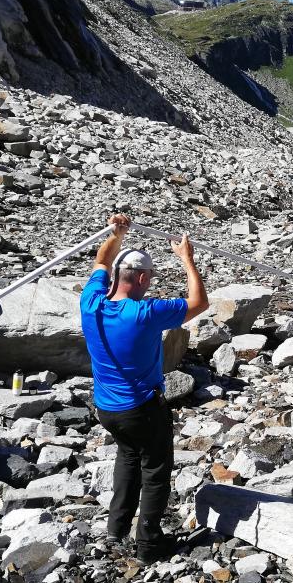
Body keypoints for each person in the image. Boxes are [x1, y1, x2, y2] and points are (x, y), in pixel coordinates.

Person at [79, 214, 209, 564]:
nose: (150, 283)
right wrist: (187, 260)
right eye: (150, 277)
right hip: (142, 409)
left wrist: (116, 235)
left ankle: (116, 529)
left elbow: (101, 260)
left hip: (107, 409)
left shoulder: (90, 302)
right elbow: (199, 303)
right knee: (155, 472)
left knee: (128, 457)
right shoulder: (144, 312)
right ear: (140, 278)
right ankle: (149, 544)